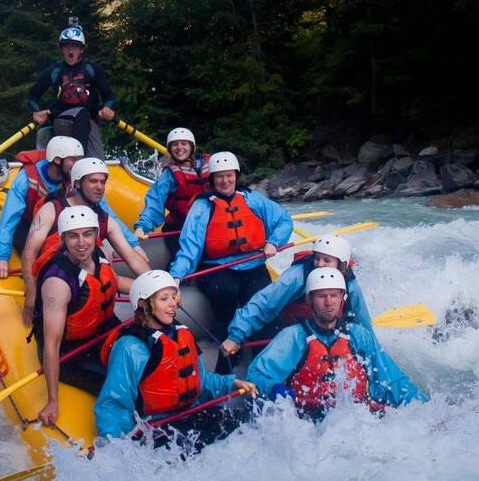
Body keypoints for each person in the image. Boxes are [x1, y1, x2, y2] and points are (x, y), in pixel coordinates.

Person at [95, 270, 255, 441]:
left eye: (173, 297)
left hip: (192, 415)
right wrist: (117, 447)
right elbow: (113, 404)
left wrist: (231, 383)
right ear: (144, 305)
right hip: (158, 428)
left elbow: (200, 381)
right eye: (164, 299)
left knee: (245, 425)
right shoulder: (130, 348)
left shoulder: (180, 334)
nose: (173, 303)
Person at [247, 268, 426, 418]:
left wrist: (423, 408)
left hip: (356, 418)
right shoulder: (294, 337)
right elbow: (256, 376)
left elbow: (392, 380)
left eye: (334, 295)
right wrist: (273, 388)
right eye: (322, 296)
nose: (329, 303)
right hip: (306, 421)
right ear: (309, 299)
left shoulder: (358, 336)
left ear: (342, 298)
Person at [33, 205, 133, 429]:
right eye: (73, 236)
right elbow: (51, 344)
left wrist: (151, 290)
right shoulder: (57, 283)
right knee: (121, 385)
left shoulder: (100, 255)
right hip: (71, 353)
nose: (81, 243)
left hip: (104, 333)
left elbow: (115, 282)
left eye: (87, 234)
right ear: (63, 239)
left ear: (96, 235)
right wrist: (52, 401)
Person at [167, 151, 293, 327]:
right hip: (217, 269)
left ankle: (261, 341)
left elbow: (284, 220)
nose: (225, 181)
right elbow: (190, 247)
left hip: (253, 265)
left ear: (236, 176)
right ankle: (230, 338)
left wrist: (273, 242)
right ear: (212, 179)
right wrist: (176, 276)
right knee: (224, 293)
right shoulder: (202, 206)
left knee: (262, 301)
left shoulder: (252, 199)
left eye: (229, 175)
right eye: (219, 177)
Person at [20, 158, 151, 317]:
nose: (99, 187)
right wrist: (31, 292)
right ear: (77, 183)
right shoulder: (52, 210)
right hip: (55, 284)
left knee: (104, 255)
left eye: (102, 182)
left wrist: (156, 285)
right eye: (93, 181)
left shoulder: (104, 219)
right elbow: (30, 252)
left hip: (87, 289)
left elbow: (132, 258)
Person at [219, 234, 372, 359]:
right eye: (317, 258)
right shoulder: (298, 275)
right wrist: (236, 335)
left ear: (340, 265)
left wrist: (371, 350)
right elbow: (265, 302)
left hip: (325, 330)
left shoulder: (349, 284)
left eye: (327, 260)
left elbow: (362, 320)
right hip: (288, 328)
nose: (319, 264)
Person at [0, 135, 83, 279]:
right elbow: (8, 221)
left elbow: (105, 211)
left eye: (79, 160)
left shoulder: (76, 178)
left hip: (60, 229)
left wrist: (131, 244)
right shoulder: (25, 180)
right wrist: (1, 258)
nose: (78, 164)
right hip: (27, 230)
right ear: (57, 160)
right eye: (73, 159)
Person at [27, 22, 116, 158]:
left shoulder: (92, 69)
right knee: (79, 115)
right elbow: (32, 96)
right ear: (61, 50)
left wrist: (107, 108)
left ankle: (84, 165)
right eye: (66, 46)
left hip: (88, 122)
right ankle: (71, 162)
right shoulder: (54, 71)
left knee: (98, 163)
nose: (70, 50)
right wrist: (36, 112)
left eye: (74, 46)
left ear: (81, 50)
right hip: (60, 121)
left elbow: (108, 95)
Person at [134, 127, 209, 253]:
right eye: (174, 145)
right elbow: (154, 203)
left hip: (207, 225)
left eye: (184, 143)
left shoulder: (211, 166)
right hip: (179, 229)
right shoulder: (168, 175)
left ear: (192, 147)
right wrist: (142, 227)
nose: (179, 147)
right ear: (170, 149)